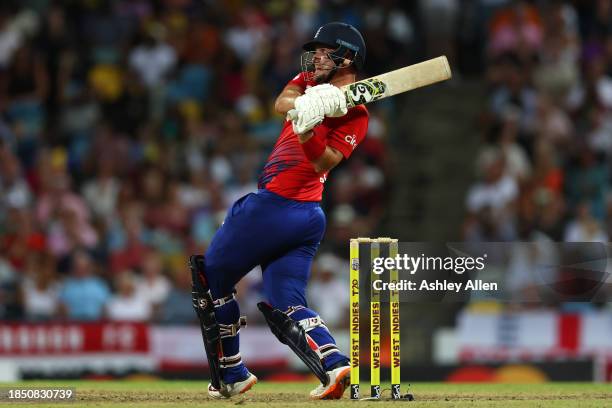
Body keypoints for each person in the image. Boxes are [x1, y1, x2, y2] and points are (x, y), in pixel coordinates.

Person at [190, 22, 368, 400]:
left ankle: (232, 372)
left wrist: (308, 131)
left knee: (211, 280)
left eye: (325, 51)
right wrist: (308, 104)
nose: (316, 57)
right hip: (306, 219)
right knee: (286, 301)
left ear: (347, 57)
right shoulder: (310, 80)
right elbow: (281, 102)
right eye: (316, 50)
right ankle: (334, 365)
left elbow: (325, 162)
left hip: (276, 206)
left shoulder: (357, 114)